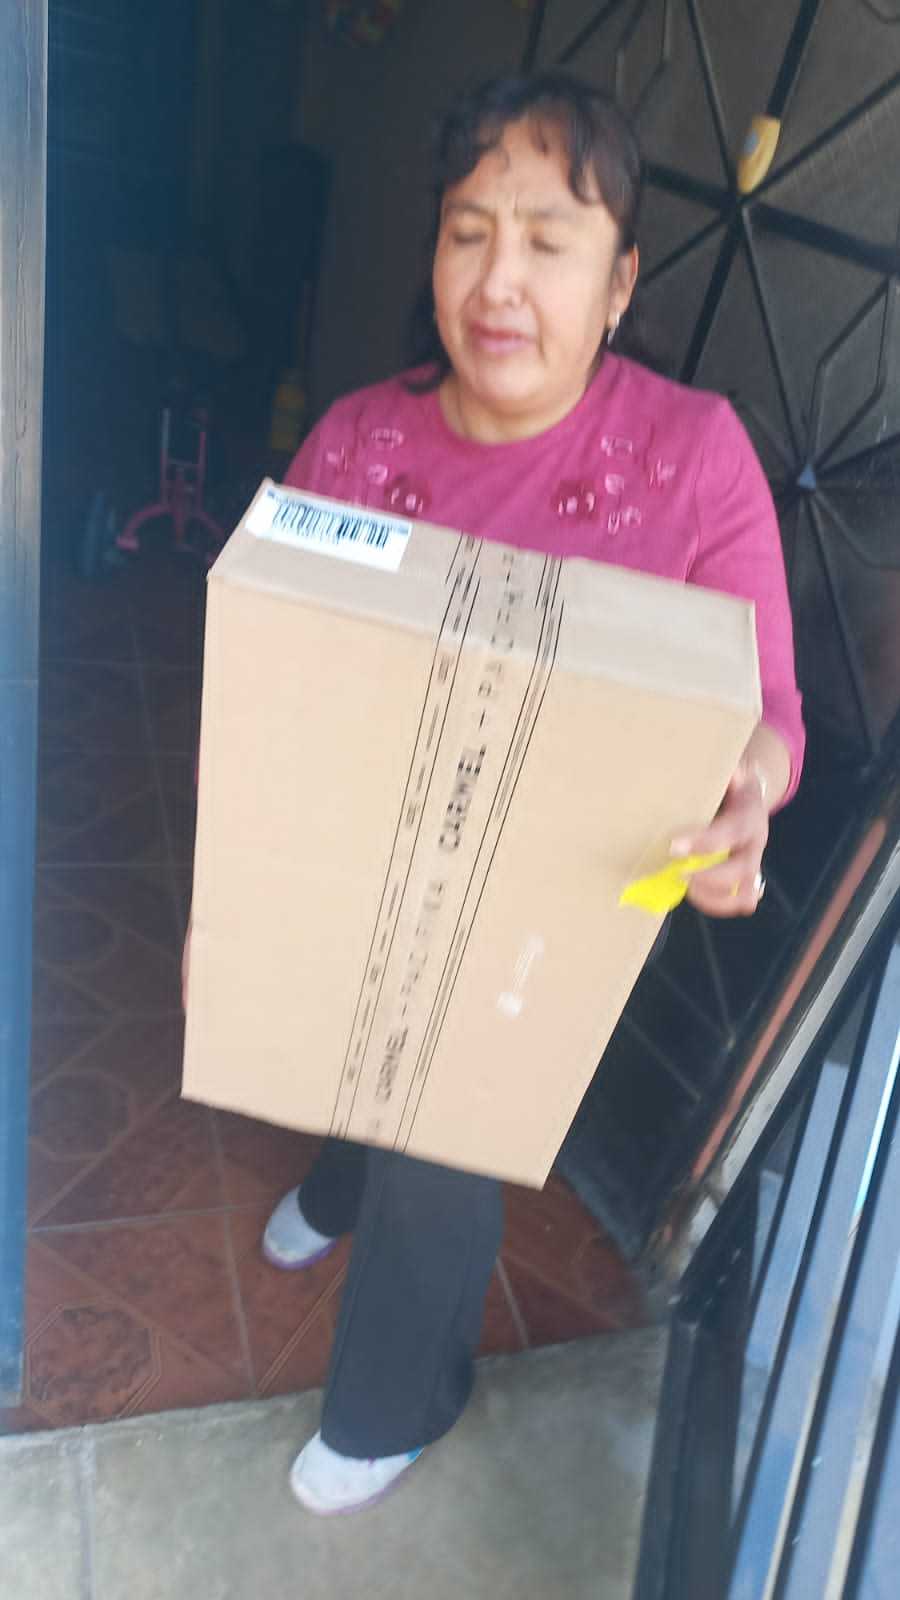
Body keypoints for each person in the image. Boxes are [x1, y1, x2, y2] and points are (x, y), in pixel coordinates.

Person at [183, 70, 804, 1515]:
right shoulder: (360, 441)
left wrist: (746, 800)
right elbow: (279, 658)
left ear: (620, 279)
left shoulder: (693, 456)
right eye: (467, 233)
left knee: (454, 1084)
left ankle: (397, 1402)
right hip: (379, 831)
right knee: (360, 1001)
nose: (498, 281)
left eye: (547, 240)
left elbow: (763, 711)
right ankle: (344, 1180)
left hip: (567, 883)